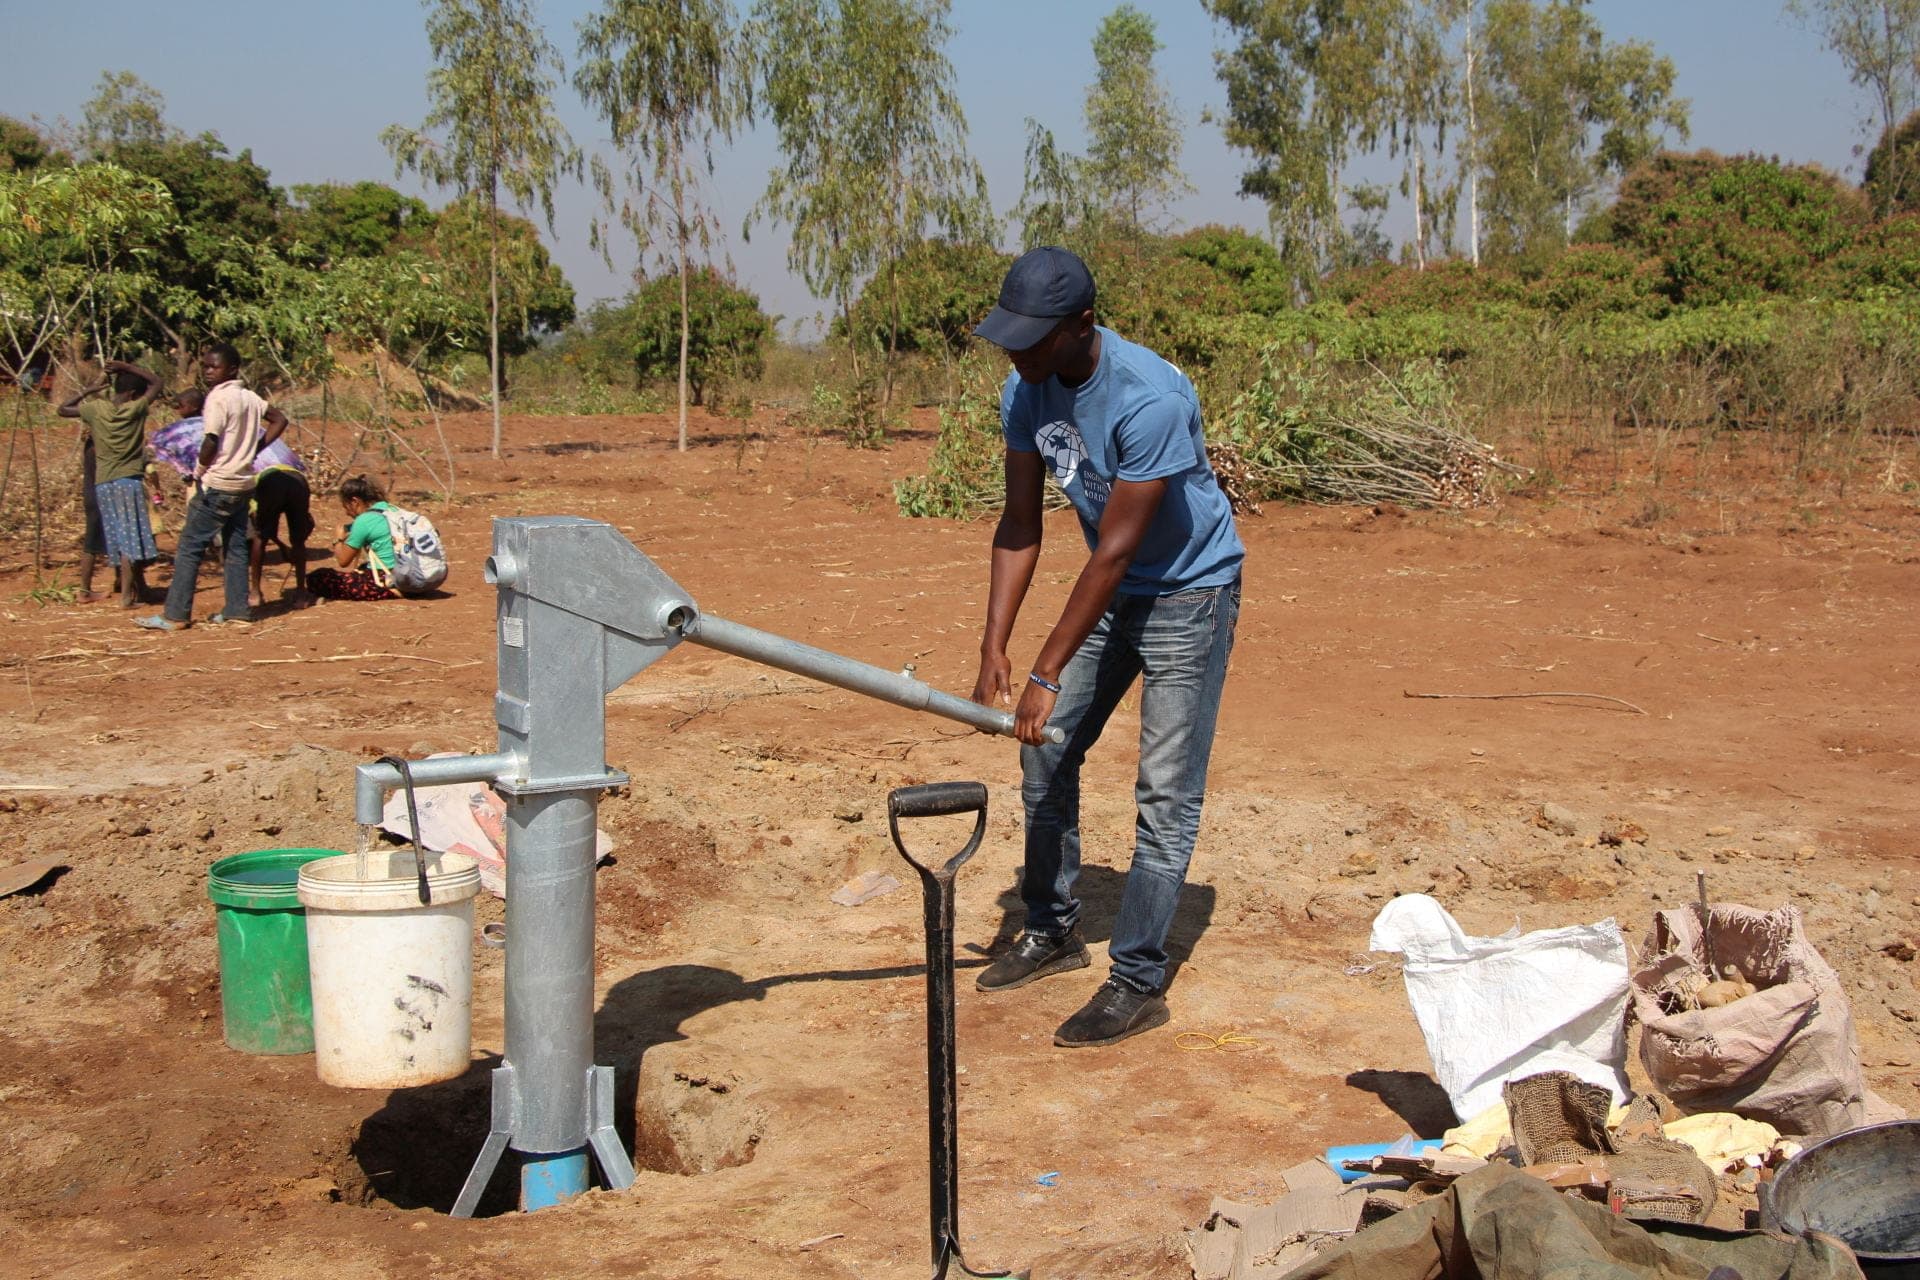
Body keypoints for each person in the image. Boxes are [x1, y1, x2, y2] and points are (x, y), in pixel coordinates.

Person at [968, 247, 1245, 1049]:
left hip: (1188, 593)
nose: (1017, 355)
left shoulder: (1148, 396)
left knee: (1164, 791)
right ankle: (1051, 928)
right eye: (1009, 338)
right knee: (1045, 754)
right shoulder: (1026, 388)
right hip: (1115, 587)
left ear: (1081, 324)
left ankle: (1136, 979)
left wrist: (1047, 669)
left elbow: (1115, 551)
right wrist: (996, 643)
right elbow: (1022, 522)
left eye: (1032, 338)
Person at [137, 343, 289, 630]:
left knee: (190, 547)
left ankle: (175, 615)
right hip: (243, 483)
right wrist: (254, 449)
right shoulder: (250, 397)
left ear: (231, 369)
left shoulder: (218, 400)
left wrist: (199, 470)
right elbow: (280, 419)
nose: (207, 371)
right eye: (205, 365)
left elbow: (210, 441)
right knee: (235, 548)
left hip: (217, 483)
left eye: (213, 366)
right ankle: (237, 611)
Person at [58, 359, 162, 608]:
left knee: (117, 537)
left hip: (103, 483)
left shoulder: (96, 409)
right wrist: (127, 366)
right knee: (129, 539)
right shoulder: (135, 410)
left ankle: (132, 591)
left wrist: (91, 389)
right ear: (134, 394)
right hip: (129, 481)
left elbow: (63, 409)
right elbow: (157, 382)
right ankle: (127, 596)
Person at [246, 403, 313, 607]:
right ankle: (301, 593)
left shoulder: (245, 445)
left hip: (269, 481)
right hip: (297, 480)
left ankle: (255, 593)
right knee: (298, 540)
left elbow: (251, 494)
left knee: (259, 537)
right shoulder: (273, 439)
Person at [306, 474, 399, 602]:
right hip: (408, 572)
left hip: (385, 578)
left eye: (346, 506)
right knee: (362, 568)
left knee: (318, 577)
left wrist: (338, 539)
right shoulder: (391, 509)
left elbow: (343, 562)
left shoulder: (363, 520)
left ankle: (392, 590)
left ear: (355, 502)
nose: (347, 513)